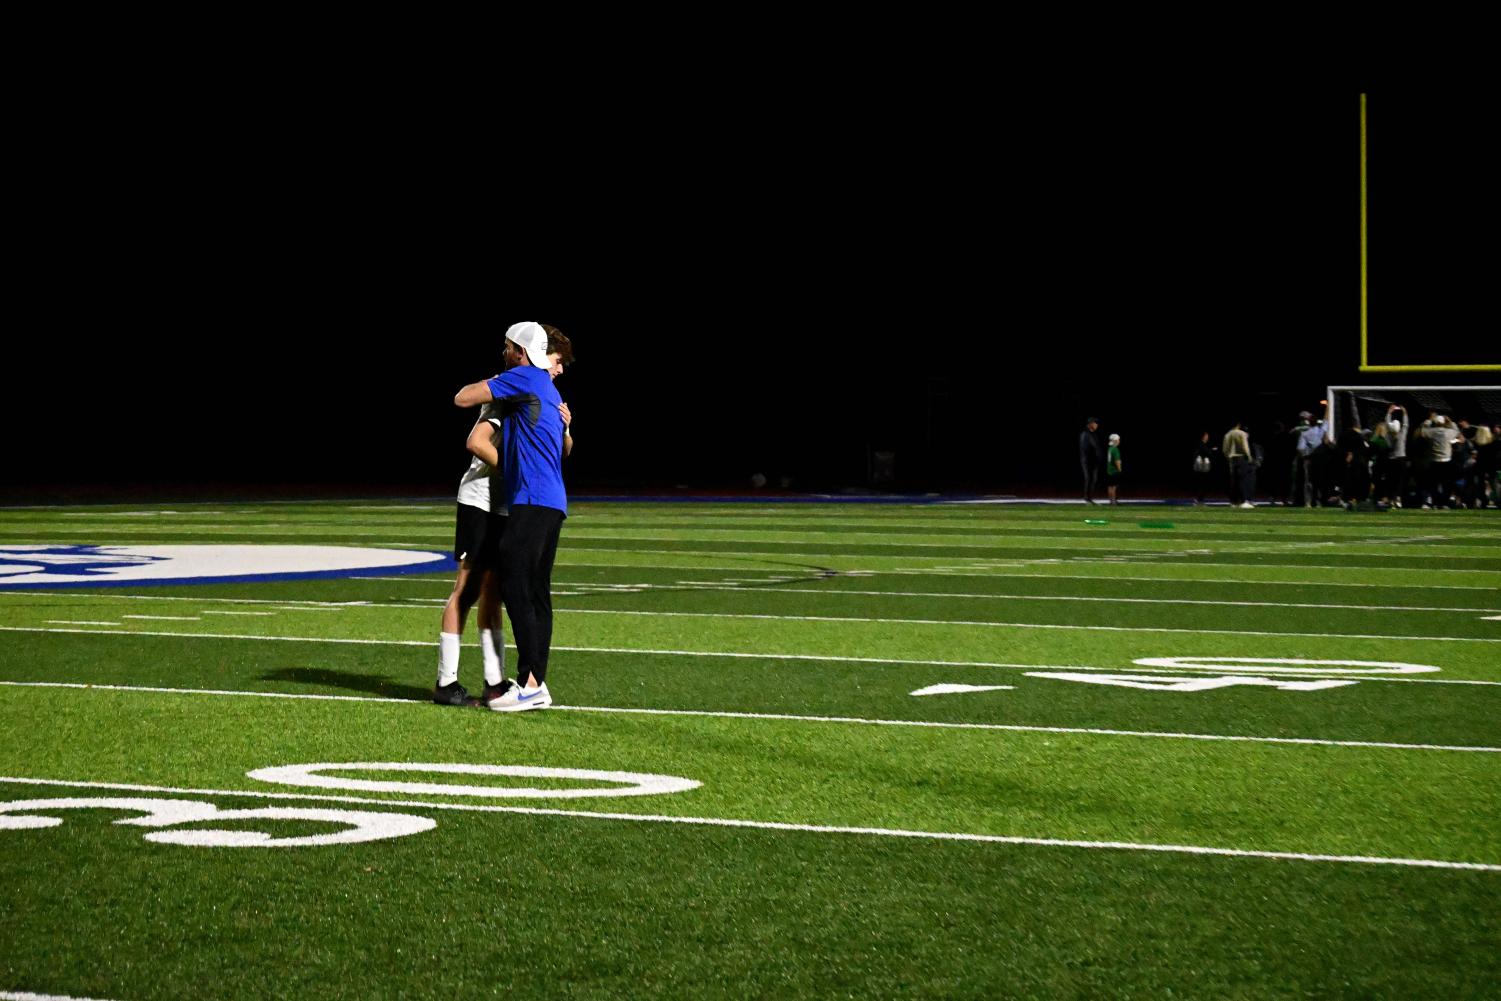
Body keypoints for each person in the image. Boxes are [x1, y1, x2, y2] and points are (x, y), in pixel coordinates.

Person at [433, 334, 573, 708]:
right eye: (557, 361)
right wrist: (516, 469)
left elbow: (559, 451)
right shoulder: (514, 387)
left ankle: (498, 682)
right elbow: (477, 439)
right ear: (535, 355)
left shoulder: (542, 392)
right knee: (469, 587)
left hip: (510, 502)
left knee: (500, 590)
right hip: (482, 499)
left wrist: (566, 428)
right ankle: (447, 681)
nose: (558, 369)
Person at [1336, 418, 1370, 510]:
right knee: (1356, 481)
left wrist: (1347, 454)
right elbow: (1362, 450)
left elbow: (1338, 449)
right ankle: (1357, 499)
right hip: (1357, 463)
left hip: (1344, 462)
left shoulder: (1342, 435)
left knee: (1346, 481)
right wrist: (1353, 454)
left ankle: (1346, 500)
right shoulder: (1358, 436)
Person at [1294, 412, 1325, 507]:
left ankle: (1308, 502)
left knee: (1309, 481)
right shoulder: (1321, 431)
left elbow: (1300, 448)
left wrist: (1304, 455)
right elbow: (1326, 423)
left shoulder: (1305, 433)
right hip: (1320, 458)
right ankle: (1319, 500)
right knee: (1319, 479)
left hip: (1309, 459)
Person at [1223, 420, 1255, 508]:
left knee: (1234, 481)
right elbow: (1245, 447)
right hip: (1241, 458)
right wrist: (1249, 457)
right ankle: (1243, 501)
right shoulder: (1242, 433)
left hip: (1232, 459)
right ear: (1238, 425)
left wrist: (1228, 457)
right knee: (1242, 480)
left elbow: (1225, 449)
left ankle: (1234, 501)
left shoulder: (1227, 434)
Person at [1079, 418, 1104, 504]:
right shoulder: (1085, 434)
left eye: (1096, 423)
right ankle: (1087, 498)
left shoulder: (1094, 434)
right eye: (1094, 423)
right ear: (1089, 424)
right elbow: (1085, 448)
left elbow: (1097, 447)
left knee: (1094, 479)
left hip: (1094, 461)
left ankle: (1089, 497)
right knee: (1088, 478)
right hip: (1087, 461)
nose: (1096, 425)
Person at [1192, 431, 1217, 505]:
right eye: (1206, 436)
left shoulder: (1204, 444)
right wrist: (1212, 450)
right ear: (1203, 436)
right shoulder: (1201, 444)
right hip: (1200, 468)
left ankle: (1200, 498)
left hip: (1203, 467)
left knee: (1203, 484)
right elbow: (1205, 452)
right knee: (1202, 483)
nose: (1207, 437)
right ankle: (1198, 499)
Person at [1105, 433, 1123, 506]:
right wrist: (1119, 469)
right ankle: (1114, 501)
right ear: (1115, 440)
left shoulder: (1110, 448)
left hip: (1109, 470)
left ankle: (1111, 501)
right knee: (1114, 487)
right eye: (1118, 439)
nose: (1119, 441)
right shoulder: (1115, 449)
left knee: (1110, 486)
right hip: (1114, 471)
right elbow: (1117, 461)